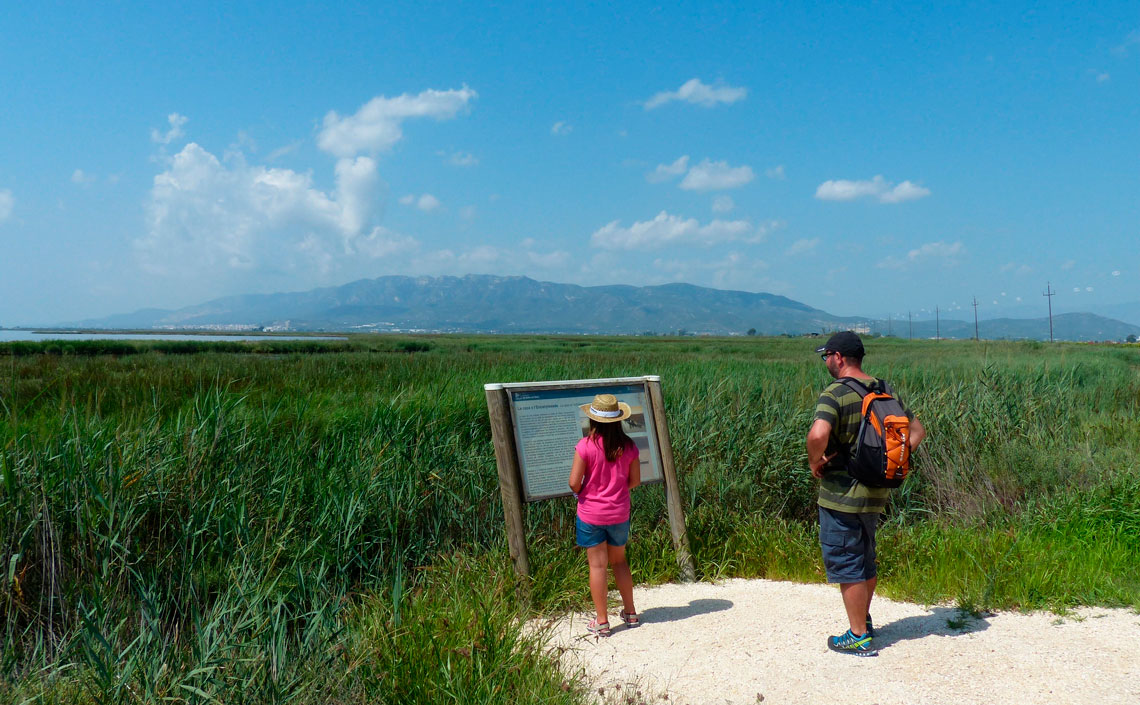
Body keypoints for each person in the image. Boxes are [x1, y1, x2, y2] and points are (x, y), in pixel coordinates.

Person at [806, 331, 926, 656]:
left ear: (839, 358)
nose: (826, 362)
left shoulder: (835, 393)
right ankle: (863, 620)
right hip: (876, 493)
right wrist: (895, 462)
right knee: (865, 559)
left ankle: (858, 635)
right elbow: (916, 431)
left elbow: (818, 433)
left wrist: (815, 461)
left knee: (846, 562)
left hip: (841, 496)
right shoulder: (884, 391)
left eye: (826, 356)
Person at [569, 393, 641, 637]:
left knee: (597, 566)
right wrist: (616, 490)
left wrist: (584, 491)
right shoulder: (629, 446)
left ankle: (602, 621)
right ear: (618, 419)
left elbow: (573, 483)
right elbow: (635, 481)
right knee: (619, 561)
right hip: (619, 512)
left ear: (593, 420)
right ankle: (630, 613)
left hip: (591, 513)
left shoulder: (585, 446)